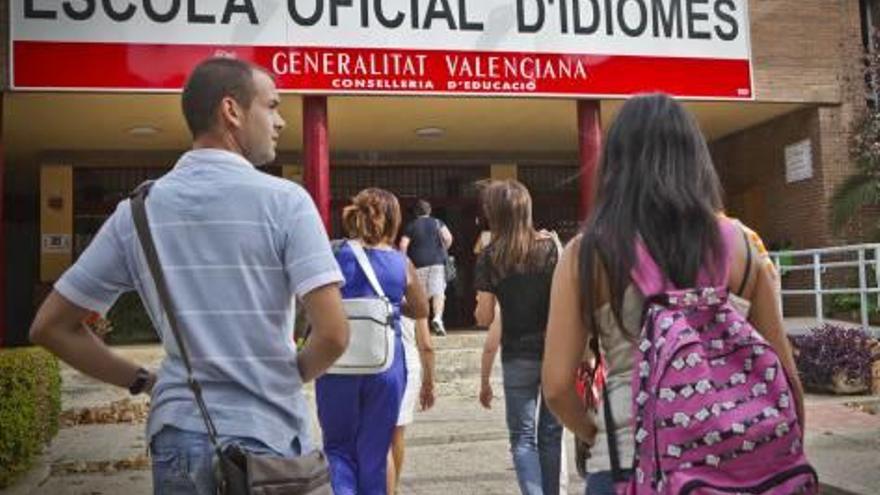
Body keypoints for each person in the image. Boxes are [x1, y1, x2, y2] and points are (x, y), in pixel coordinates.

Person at [29, 57, 350, 494]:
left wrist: (142, 380)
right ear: (232, 111)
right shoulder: (286, 202)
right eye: (271, 107)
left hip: (180, 433)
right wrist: (280, 380)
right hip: (268, 438)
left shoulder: (137, 213)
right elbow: (333, 335)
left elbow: (50, 326)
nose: (281, 122)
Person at [542, 94, 805, 495]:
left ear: (616, 164)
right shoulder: (741, 245)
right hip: (740, 465)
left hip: (628, 467)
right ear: (694, 159)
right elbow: (785, 377)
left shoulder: (587, 253)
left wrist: (595, 431)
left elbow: (557, 387)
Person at [317, 188, 429, 495]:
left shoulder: (332, 253)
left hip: (337, 361)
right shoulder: (400, 263)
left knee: (338, 447)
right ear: (393, 220)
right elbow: (422, 309)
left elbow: (310, 300)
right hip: (386, 363)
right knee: (376, 450)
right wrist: (389, 306)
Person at [474, 179, 564, 495]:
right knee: (552, 434)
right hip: (555, 351)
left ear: (495, 214)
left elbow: (484, 316)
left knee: (523, 437)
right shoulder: (550, 247)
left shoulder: (489, 257)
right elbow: (566, 300)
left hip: (516, 353)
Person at [386, 316, 436, 494]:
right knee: (396, 433)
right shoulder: (415, 291)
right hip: (406, 363)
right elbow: (426, 345)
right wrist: (429, 382)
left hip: (373, 360)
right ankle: (393, 488)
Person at [400, 199, 453, 336]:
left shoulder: (411, 226)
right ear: (429, 211)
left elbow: (403, 245)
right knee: (438, 292)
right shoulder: (437, 222)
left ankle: (420, 326)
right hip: (437, 262)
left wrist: (404, 260)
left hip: (418, 264)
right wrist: (443, 249)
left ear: (416, 212)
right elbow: (448, 238)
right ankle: (437, 319)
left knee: (420, 295)